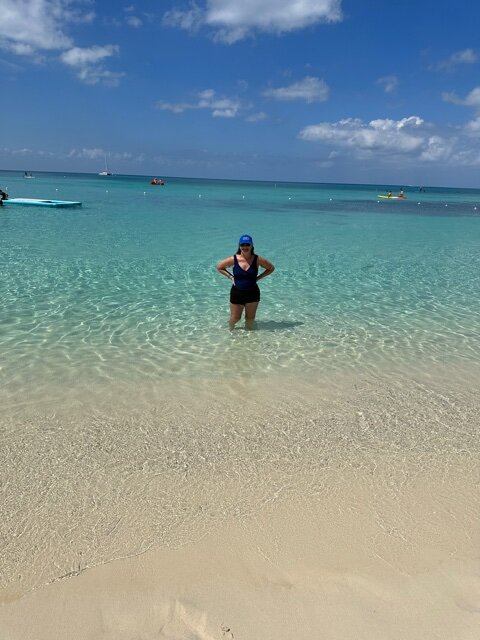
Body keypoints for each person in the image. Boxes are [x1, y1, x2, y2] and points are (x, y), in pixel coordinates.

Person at [217, 234, 275, 329]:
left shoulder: (257, 259)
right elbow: (219, 267)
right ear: (239, 246)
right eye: (242, 245)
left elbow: (271, 268)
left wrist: (258, 278)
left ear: (252, 245)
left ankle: (250, 338)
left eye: (247, 244)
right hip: (237, 293)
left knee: (250, 318)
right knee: (235, 318)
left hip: (253, 293)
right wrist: (230, 277)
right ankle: (230, 333)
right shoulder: (233, 259)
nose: (245, 247)